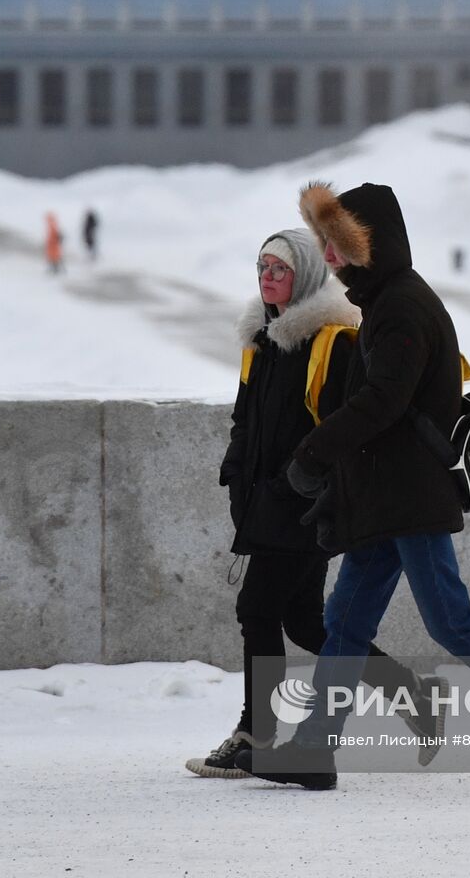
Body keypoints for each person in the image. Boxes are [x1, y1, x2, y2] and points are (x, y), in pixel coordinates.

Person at [236, 182, 470, 793]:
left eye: (339, 244)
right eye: (327, 244)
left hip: (410, 498)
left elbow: (382, 402)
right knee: (344, 621)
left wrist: (314, 453)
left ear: (370, 245)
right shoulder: (386, 303)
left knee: (452, 621)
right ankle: (313, 751)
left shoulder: (402, 307)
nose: (331, 256)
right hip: (384, 496)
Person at [185, 227, 445, 781]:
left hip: (305, 502)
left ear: (303, 273)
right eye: (261, 268)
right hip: (265, 503)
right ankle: (411, 692)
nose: (267, 278)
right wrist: (236, 470)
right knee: (304, 621)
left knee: (256, 608)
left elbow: (343, 425)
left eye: (279, 268)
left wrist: (297, 482)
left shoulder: (331, 341)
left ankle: (255, 734)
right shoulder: (261, 338)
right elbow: (244, 419)